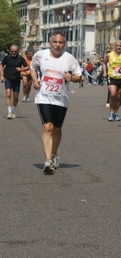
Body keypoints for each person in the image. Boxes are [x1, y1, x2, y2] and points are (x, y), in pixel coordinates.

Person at [30, 32, 82, 174]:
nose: (57, 45)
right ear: (50, 42)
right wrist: (35, 80)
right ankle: (47, 160)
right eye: (55, 42)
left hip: (60, 98)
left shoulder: (69, 58)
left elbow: (80, 76)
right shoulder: (41, 55)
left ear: (64, 44)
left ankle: (53, 154)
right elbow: (33, 68)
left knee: (57, 129)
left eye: (61, 43)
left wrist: (71, 77)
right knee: (47, 127)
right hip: (44, 96)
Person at [102, 40, 121, 121]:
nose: (119, 47)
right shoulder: (109, 55)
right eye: (117, 46)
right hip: (112, 77)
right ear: (114, 47)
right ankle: (111, 112)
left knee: (118, 97)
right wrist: (105, 72)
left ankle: (116, 113)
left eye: (120, 46)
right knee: (113, 94)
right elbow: (104, 63)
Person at [0, 45, 28, 119]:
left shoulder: (20, 58)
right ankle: (9, 112)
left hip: (16, 79)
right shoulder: (6, 58)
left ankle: (13, 110)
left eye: (15, 51)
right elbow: (1, 65)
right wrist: (2, 76)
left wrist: (21, 70)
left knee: (16, 96)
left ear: (17, 51)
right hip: (8, 78)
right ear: (10, 51)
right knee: (8, 94)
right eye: (12, 51)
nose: (13, 53)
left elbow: (27, 67)